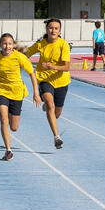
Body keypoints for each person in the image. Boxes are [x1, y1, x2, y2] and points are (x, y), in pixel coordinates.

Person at [0, 33, 40, 161]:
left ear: (13, 45)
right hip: (0, 91)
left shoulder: (19, 57)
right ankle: (8, 150)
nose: (7, 46)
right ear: (0, 45)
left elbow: (32, 74)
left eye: (9, 43)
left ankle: (9, 112)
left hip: (16, 92)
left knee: (14, 127)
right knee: (3, 119)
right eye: (4, 43)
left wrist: (36, 93)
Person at [24, 18, 71, 149]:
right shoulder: (41, 44)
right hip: (44, 79)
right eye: (51, 28)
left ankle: (49, 108)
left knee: (56, 114)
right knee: (50, 105)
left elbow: (67, 67)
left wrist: (53, 67)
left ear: (60, 31)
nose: (53, 30)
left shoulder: (63, 45)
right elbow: (25, 55)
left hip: (61, 81)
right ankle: (57, 137)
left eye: (56, 28)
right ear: (46, 29)